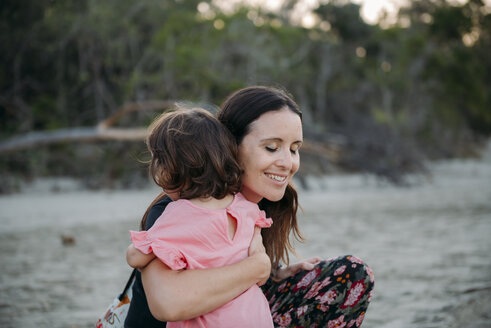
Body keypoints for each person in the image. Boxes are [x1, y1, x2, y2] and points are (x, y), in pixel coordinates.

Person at [124, 86, 374, 328]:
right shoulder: (179, 209)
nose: (287, 163)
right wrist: (256, 268)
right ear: (230, 146)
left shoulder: (257, 205)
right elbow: (168, 303)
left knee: (351, 274)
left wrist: (274, 273)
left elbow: (226, 262)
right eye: (272, 148)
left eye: (294, 149)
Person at [125, 107, 274, 327]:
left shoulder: (180, 215)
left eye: (158, 159)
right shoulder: (247, 208)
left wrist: (133, 249)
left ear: (171, 168)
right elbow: (258, 264)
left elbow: (137, 258)